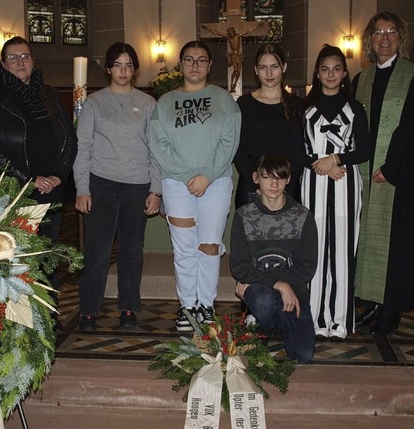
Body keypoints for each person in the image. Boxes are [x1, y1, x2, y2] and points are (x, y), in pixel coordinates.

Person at [0, 36, 77, 331]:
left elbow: (69, 138)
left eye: (26, 57)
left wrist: (58, 174)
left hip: (52, 189)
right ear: (4, 63)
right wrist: (27, 179)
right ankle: (17, 317)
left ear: (33, 61)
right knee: (14, 254)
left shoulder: (49, 94)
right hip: (14, 190)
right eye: (14, 57)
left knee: (46, 252)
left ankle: (48, 313)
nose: (21, 62)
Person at [352, 12, 414, 335]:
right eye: (377, 33)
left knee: (396, 246)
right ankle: (371, 303)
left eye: (391, 32)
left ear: (400, 39)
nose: (384, 38)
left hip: (396, 181)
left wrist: (391, 169)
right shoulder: (362, 79)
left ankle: (390, 309)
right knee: (365, 241)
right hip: (364, 179)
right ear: (369, 41)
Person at [149, 40, 241, 331]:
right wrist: (188, 174)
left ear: (210, 65)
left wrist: (207, 176)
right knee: (185, 248)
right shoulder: (165, 102)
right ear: (181, 64)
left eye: (201, 60)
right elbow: (158, 144)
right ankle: (188, 305)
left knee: (209, 246)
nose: (195, 65)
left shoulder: (224, 99)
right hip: (177, 184)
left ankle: (206, 305)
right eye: (189, 59)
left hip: (216, 182)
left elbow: (230, 141)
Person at [73, 42, 160, 332]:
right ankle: (88, 310)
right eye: (118, 65)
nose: (123, 71)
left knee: (132, 251)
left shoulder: (148, 104)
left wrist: (155, 190)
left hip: (137, 185)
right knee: (97, 251)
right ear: (109, 68)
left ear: (134, 70)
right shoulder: (95, 103)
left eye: (128, 65)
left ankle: (128, 307)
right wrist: (82, 188)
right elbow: (83, 147)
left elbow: (156, 150)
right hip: (102, 185)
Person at [295, 45, 370, 341]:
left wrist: (337, 160)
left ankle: (338, 321)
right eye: (324, 69)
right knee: (314, 248)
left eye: (336, 69)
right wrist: (322, 165)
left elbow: (363, 150)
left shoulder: (355, 109)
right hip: (313, 181)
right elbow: (295, 150)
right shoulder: (303, 109)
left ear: (344, 73)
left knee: (342, 249)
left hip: (345, 183)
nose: (330, 74)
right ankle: (312, 318)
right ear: (317, 72)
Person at [230, 154, 318, 363]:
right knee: (264, 301)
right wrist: (279, 284)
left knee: (304, 354)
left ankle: (271, 320)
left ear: (288, 179)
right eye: (267, 177)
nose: (274, 183)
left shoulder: (303, 216)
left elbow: (307, 268)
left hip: (293, 290)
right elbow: (239, 267)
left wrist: (286, 286)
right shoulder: (244, 215)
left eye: (280, 177)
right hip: (260, 289)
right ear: (255, 178)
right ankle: (260, 322)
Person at [234, 43, 302, 209]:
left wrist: (284, 183)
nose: (269, 73)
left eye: (274, 67)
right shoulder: (244, 104)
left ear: (284, 67)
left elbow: (299, 150)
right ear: (256, 70)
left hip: (287, 187)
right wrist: (256, 183)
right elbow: (238, 149)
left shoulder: (297, 105)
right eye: (263, 67)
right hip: (251, 188)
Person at [200, 23, 264, 93]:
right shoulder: (228, 37)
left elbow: (248, 31)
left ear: (234, 31)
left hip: (238, 55)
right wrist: (207, 27)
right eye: (230, 32)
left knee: (238, 71)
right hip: (233, 55)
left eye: (232, 31)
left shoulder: (238, 36)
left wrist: (258, 25)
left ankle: (234, 84)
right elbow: (217, 32)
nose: (231, 33)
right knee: (235, 70)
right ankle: (232, 85)